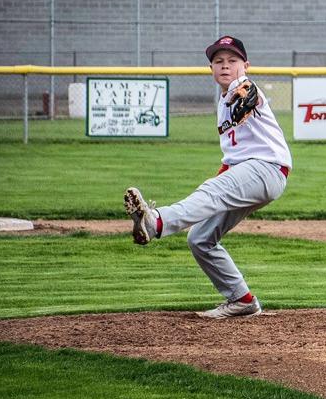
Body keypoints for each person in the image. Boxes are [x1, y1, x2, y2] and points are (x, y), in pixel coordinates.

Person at [124, 35, 292, 319]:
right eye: (218, 61)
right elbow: (230, 162)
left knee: (211, 192)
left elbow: (251, 92)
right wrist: (217, 185)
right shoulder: (223, 105)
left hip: (267, 168)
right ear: (211, 69)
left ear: (246, 65)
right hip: (249, 173)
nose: (225, 66)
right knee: (200, 237)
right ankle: (242, 300)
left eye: (232, 60)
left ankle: (156, 221)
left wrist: (248, 91)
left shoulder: (245, 87)